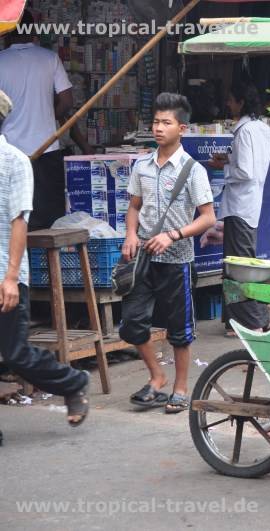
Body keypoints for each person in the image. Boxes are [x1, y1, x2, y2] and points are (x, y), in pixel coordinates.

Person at [120, 93, 216, 414]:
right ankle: (157, 376)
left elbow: (207, 217)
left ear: (182, 128)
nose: (159, 128)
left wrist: (173, 234)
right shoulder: (142, 166)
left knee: (180, 332)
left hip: (177, 260)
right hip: (144, 257)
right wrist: (131, 234)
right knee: (132, 324)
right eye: (156, 122)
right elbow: (133, 207)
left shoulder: (193, 170)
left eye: (166, 123)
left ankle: (180, 387)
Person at [0, 89, 90, 428]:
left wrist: (10, 277)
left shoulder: (15, 162)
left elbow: (19, 221)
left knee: (16, 354)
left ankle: (73, 382)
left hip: (6, 274)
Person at [0, 11, 76, 230]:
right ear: (33, 31)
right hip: (46, 147)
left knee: (13, 216)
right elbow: (66, 101)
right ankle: (49, 264)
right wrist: (46, 117)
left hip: (11, 149)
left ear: (6, 32)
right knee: (49, 218)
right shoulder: (49, 58)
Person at [207, 82, 270, 336]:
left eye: (232, 100)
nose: (228, 104)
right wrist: (229, 159)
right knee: (238, 262)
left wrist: (222, 167)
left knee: (239, 265)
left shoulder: (244, 132)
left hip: (240, 205)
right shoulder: (260, 128)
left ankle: (252, 320)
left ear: (241, 102)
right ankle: (241, 319)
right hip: (248, 204)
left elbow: (245, 171)